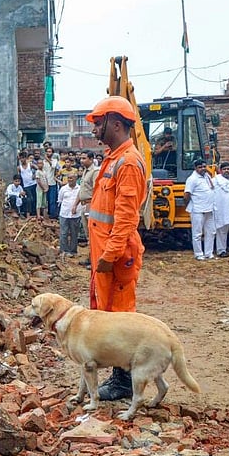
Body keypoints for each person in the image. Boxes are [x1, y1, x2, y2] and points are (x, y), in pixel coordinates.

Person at [85, 96, 148, 401]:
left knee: (120, 316)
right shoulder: (114, 158)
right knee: (106, 313)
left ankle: (123, 381)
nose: (95, 129)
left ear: (117, 124)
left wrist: (109, 256)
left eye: (99, 123)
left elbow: (126, 218)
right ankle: (117, 375)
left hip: (117, 255)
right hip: (106, 253)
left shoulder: (128, 162)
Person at [183, 159, 216, 261]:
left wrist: (208, 171)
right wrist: (188, 205)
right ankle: (198, 253)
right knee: (197, 233)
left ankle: (208, 253)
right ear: (195, 168)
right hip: (197, 209)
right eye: (200, 167)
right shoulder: (192, 179)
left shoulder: (207, 176)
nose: (202, 169)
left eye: (204, 167)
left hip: (209, 209)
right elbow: (187, 195)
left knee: (210, 232)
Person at [74, 150, 99, 248]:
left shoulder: (95, 172)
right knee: (88, 233)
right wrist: (75, 204)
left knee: (93, 233)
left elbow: (97, 191)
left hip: (90, 205)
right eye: (81, 158)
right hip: (84, 205)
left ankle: (94, 258)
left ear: (91, 159)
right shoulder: (85, 171)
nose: (81, 160)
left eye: (84, 158)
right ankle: (91, 257)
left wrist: (91, 206)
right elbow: (82, 190)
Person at [58, 173, 81, 256]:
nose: (70, 180)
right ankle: (64, 250)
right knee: (64, 233)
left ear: (76, 179)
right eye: (68, 178)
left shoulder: (80, 189)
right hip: (64, 214)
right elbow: (60, 200)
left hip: (76, 215)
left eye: (71, 178)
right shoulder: (63, 189)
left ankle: (73, 251)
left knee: (74, 233)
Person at [40, 147, 60, 218]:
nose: (48, 153)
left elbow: (53, 166)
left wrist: (47, 159)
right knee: (46, 200)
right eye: (47, 152)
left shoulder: (54, 160)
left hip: (52, 183)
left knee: (52, 200)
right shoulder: (43, 161)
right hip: (44, 183)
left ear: (52, 153)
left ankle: (53, 215)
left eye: (50, 152)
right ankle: (47, 214)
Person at [17, 152, 38, 218]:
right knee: (30, 199)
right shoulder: (19, 167)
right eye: (20, 159)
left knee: (35, 199)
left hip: (33, 183)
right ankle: (29, 213)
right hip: (26, 186)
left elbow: (38, 169)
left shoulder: (30, 165)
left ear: (26, 158)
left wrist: (35, 174)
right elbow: (18, 176)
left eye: (23, 158)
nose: (22, 160)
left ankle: (34, 213)